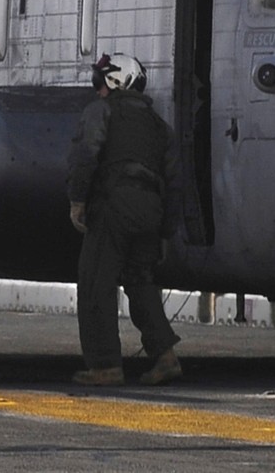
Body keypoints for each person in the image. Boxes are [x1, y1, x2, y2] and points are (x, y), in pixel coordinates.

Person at [66, 52, 182, 387]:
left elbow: (85, 155)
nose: (97, 89)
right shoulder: (159, 126)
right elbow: (175, 182)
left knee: (96, 283)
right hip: (150, 210)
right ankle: (165, 356)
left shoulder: (102, 111)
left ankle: (104, 366)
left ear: (116, 81)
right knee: (140, 282)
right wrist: (165, 231)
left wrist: (77, 200)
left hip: (114, 205)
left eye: (100, 82)